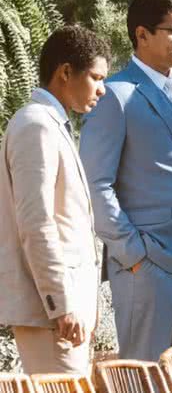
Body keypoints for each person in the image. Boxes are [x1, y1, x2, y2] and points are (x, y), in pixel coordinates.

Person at [79, 0, 172, 361]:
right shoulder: (115, 94)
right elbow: (96, 183)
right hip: (146, 266)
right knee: (143, 378)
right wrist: (132, 253)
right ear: (142, 35)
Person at [0, 25, 110, 374]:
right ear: (65, 72)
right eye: (96, 77)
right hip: (54, 317)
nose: (103, 89)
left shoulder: (50, 124)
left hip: (63, 316)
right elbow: (36, 222)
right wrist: (61, 304)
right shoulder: (36, 126)